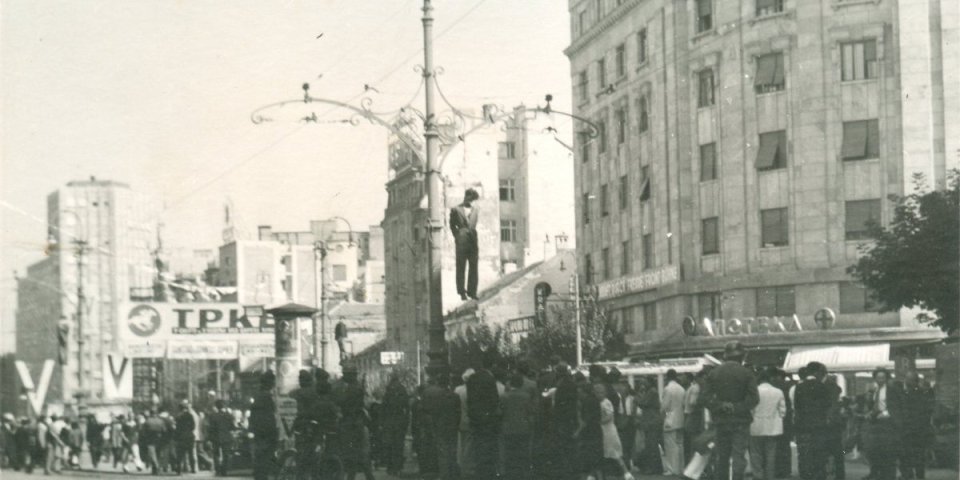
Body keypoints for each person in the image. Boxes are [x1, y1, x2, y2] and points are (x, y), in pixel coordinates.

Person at [701, 341, 759, 480]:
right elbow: (754, 399)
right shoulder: (747, 373)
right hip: (741, 421)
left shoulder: (714, 373)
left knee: (722, 457)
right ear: (741, 356)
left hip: (721, 420)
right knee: (739, 456)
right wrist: (737, 407)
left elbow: (705, 397)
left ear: (725, 356)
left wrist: (721, 405)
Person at [891, 371, 934, 480]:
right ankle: (909, 476)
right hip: (906, 432)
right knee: (906, 458)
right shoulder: (904, 393)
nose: (908, 382)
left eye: (911, 380)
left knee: (916, 458)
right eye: (907, 379)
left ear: (915, 381)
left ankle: (916, 476)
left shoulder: (919, 394)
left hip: (916, 432)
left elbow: (924, 414)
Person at [794, 362, 832, 480]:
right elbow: (827, 405)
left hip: (803, 426)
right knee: (819, 454)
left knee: (805, 455)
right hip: (820, 426)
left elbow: (797, 407)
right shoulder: (822, 386)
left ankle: (805, 476)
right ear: (816, 372)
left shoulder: (799, 387)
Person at [337, 365, 375, 480]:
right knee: (358, 455)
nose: (344, 377)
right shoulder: (357, 387)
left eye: (346, 374)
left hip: (352, 425)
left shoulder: (352, 389)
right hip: (357, 424)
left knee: (354, 454)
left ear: (350, 376)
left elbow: (343, 402)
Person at [467, 359, 502, 480]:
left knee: (478, 447)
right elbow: (494, 399)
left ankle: (480, 472)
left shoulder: (472, 379)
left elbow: (470, 401)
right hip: (489, 419)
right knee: (489, 447)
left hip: (476, 419)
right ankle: (489, 473)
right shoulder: (490, 378)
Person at [750, 367, 786, 480]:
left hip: (755, 427)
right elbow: (783, 411)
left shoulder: (754, 391)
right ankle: (770, 477)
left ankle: (758, 476)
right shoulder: (778, 392)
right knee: (771, 455)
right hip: (773, 428)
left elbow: (750, 409)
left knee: (756, 455)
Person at [499, 373, 534, 480]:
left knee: (509, 453)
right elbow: (530, 413)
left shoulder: (504, 396)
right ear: (521, 383)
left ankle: (510, 474)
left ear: (510, 383)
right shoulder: (526, 396)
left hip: (507, 428)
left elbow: (500, 412)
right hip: (523, 428)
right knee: (523, 452)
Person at [449, 188, 480, 300]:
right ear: (466, 197)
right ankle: (462, 292)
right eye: (470, 199)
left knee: (474, 266)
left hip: (473, 240)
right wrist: (457, 235)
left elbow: (473, 223)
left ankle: (472, 291)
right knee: (461, 266)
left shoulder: (476, 210)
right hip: (461, 240)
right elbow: (452, 225)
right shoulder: (456, 209)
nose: (471, 202)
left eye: (473, 200)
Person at [249, 371, 278, 480]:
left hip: (260, 433)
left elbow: (253, 416)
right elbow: (270, 417)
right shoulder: (266, 397)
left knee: (261, 460)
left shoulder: (258, 396)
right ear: (271, 383)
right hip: (267, 433)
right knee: (264, 460)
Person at [381, 372, 410, 477]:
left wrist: (383, 422)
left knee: (389, 445)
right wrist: (406, 421)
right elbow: (406, 406)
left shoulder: (388, 390)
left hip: (389, 422)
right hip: (399, 421)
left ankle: (390, 468)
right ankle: (398, 467)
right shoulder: (402, 389)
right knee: (399, 445)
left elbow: (383, 407)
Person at [635, 377, 663, 475]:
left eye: (644, 382)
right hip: (651, 421)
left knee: (651, 445)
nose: (643, 384)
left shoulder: (652, 392)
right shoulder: (651, 391)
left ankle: (653, 468)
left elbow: (642, 403)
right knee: (652, 445)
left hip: (651, 421)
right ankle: (656, 467)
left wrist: (637, 396)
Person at [661, 368, 686, 475]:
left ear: (667, 377)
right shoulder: (681, 389)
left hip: (670, 419)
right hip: (681, 419)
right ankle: (681, 467)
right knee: (680, 444)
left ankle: (672, 468)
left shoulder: (667, 389)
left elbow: (664, 407)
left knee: (670, 445)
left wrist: (662, 415)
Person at [684, 369, 706, 463]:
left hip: (690, 416)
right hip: (694, 416)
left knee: (692, 442)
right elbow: (693, 402)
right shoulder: (697, 388)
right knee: (694, 442)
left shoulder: (693, 387)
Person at [208, 400, 235, 477]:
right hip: (226, 437)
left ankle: (217, 470)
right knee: (226, 454)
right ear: (224, 406)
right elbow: (232, 427)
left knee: (216, 454)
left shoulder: (212, 416)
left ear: (216, 407)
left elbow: (211, 428)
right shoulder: (229, 415)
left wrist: (209, 438)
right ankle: (224, 470)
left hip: (216, 437)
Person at [176, 401, 198, 474]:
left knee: (180, 454)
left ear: (179, 408)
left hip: (181, 437)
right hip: (189, 436)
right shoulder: (190, 415)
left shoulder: (178, 416)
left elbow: (177, 428)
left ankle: (179, 470)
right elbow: (193, 426)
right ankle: (193, 469)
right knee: (191, 453)